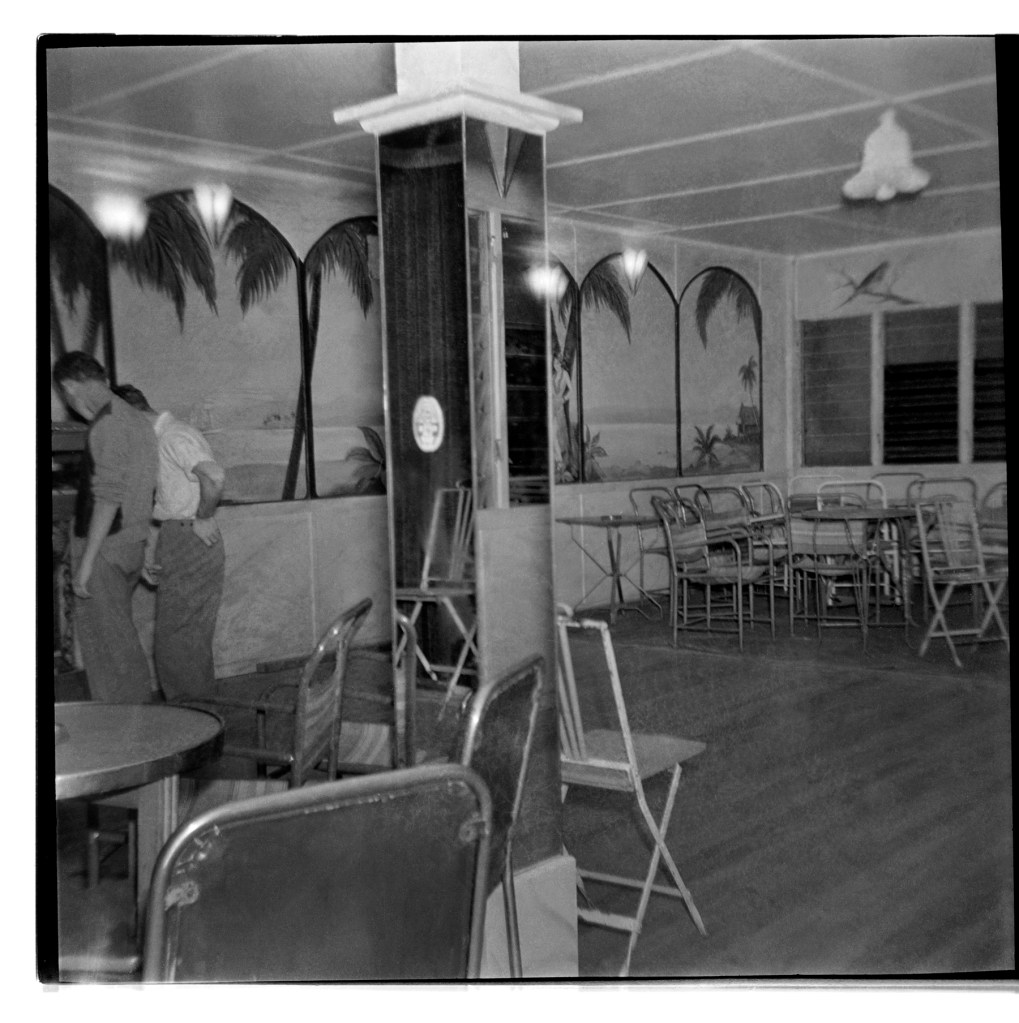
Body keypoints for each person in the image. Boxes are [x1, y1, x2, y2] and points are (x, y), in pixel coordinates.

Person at [53, 354, 159, 703]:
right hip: (130, 546)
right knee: (121, 638)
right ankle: (136, 724)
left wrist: (84, 566)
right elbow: (141, 489)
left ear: (69, 387)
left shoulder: (108, 425)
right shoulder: (136, 419)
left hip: (104, 551)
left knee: (108, 652)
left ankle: (128, 732)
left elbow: (108, 499)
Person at [113, 385, 226, 702]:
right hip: (177, 535)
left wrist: (203, 516)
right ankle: (198, 725)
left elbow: (214, 477)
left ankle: (193, 730)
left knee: (178, 644)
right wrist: (151, 547)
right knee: (182, 643)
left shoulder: (174, 436)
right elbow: (166, 498)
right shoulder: (159, 440)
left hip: (189, 536)